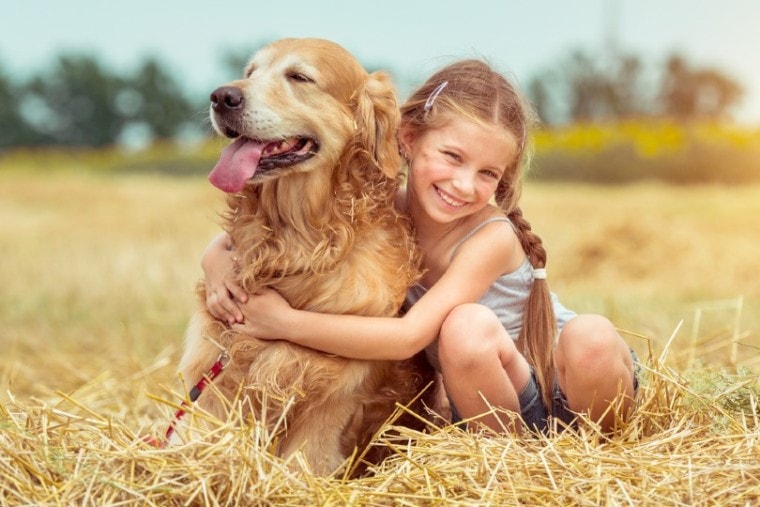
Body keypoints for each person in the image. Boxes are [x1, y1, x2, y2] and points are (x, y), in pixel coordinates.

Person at [201, 59, 637, 434]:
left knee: (579, 333)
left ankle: (596, 464)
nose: (464, 185)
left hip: (571, 382)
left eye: (488, 174)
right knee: (465, 333)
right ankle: (512, 470)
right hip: (500, 406)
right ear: (408, 139)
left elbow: (409, 338)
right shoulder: (378, 210)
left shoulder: (491, 237)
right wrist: (214, 264)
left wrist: (284, 323)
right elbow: (246, 237)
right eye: (452, 156)